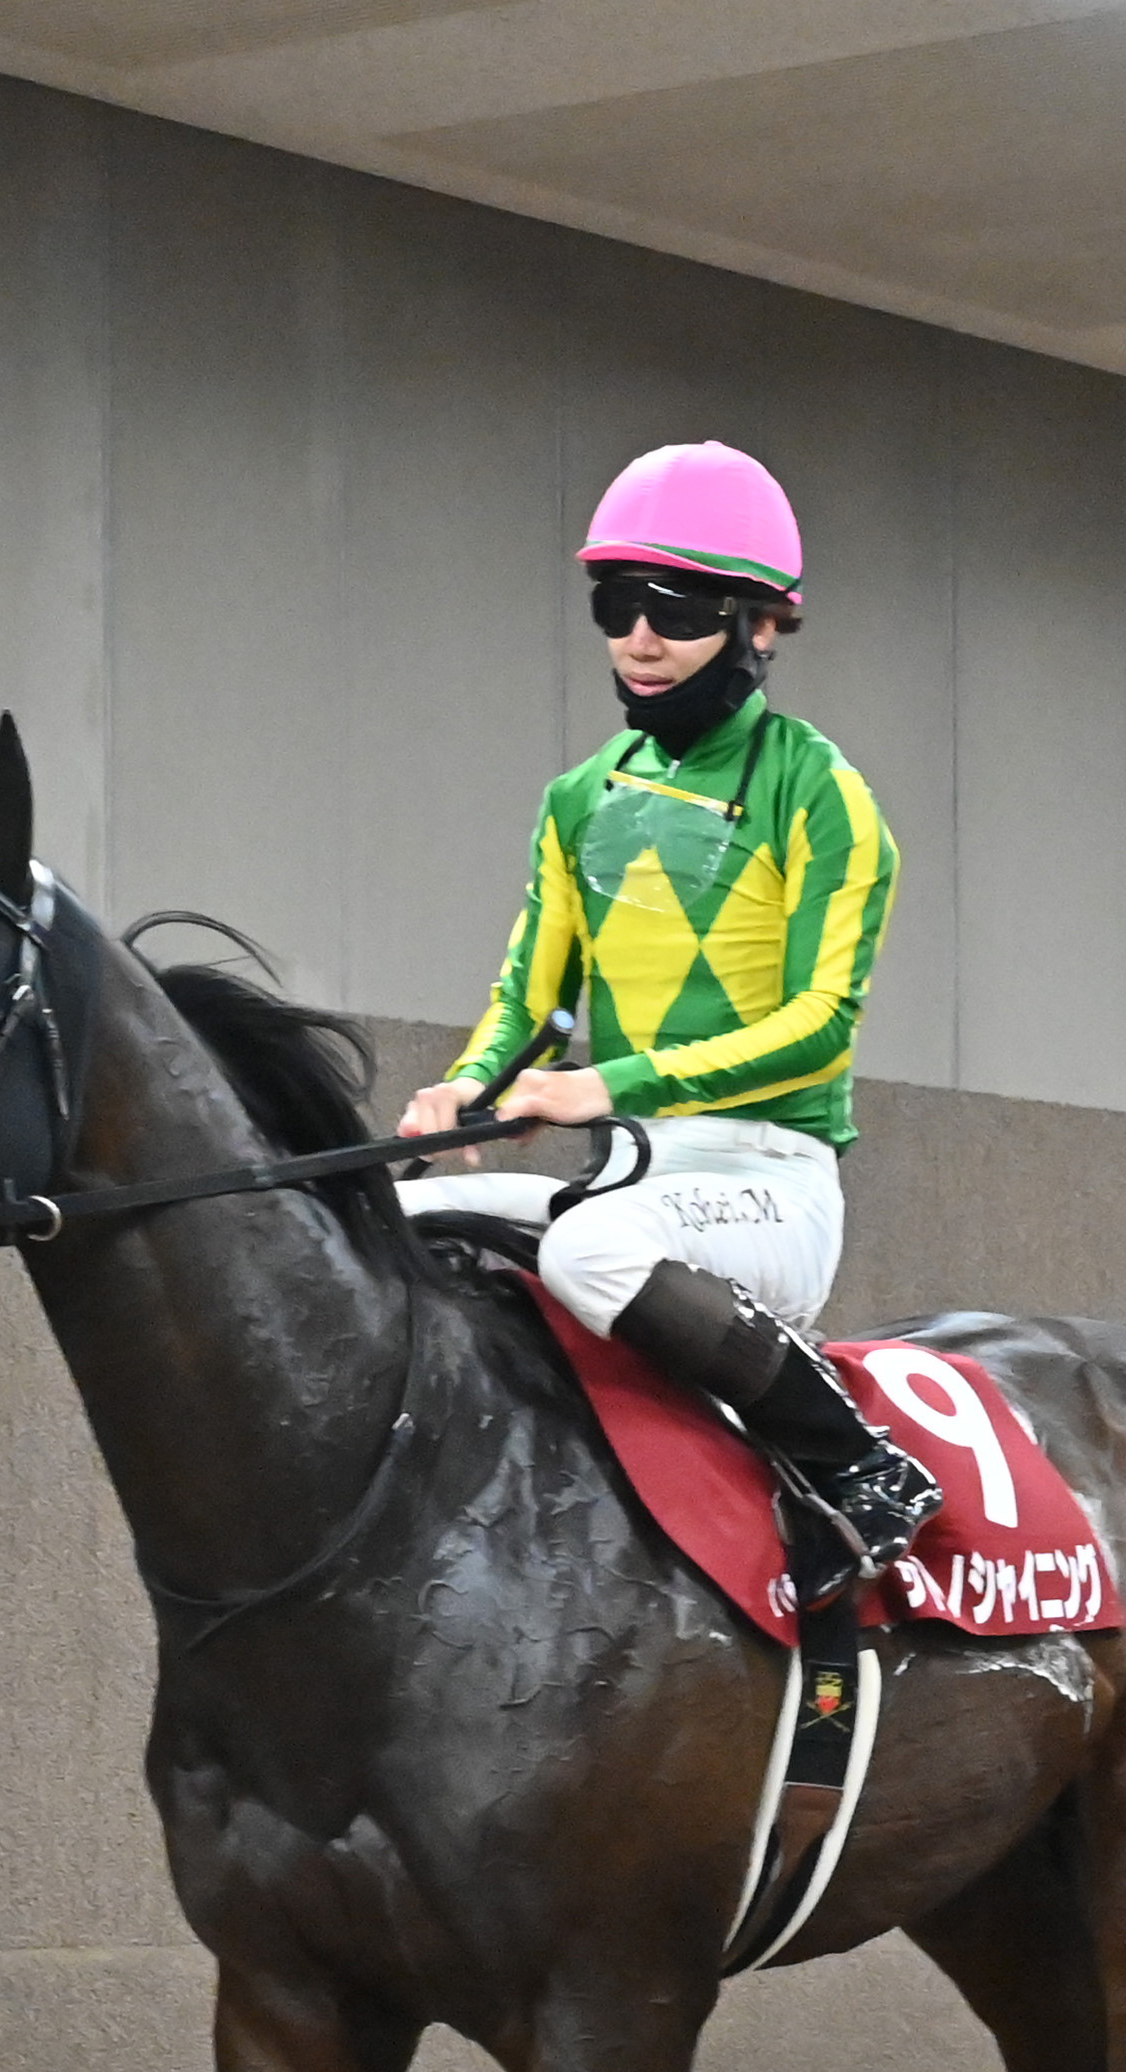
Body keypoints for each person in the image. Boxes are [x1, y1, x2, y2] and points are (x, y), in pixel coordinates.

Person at [396, 439, 940, 1596]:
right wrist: (467, 1090)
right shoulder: (578, 799)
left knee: (592, 1245)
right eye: (615, 603)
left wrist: (603, 1089)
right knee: (391, 1210)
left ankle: (857, 1467)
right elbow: (524, 1002)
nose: (639, 636)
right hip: (628, 1180)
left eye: (676, 606)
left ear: (762, 625)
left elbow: (820, 1028)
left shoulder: (821, 790)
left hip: (770, 1187)